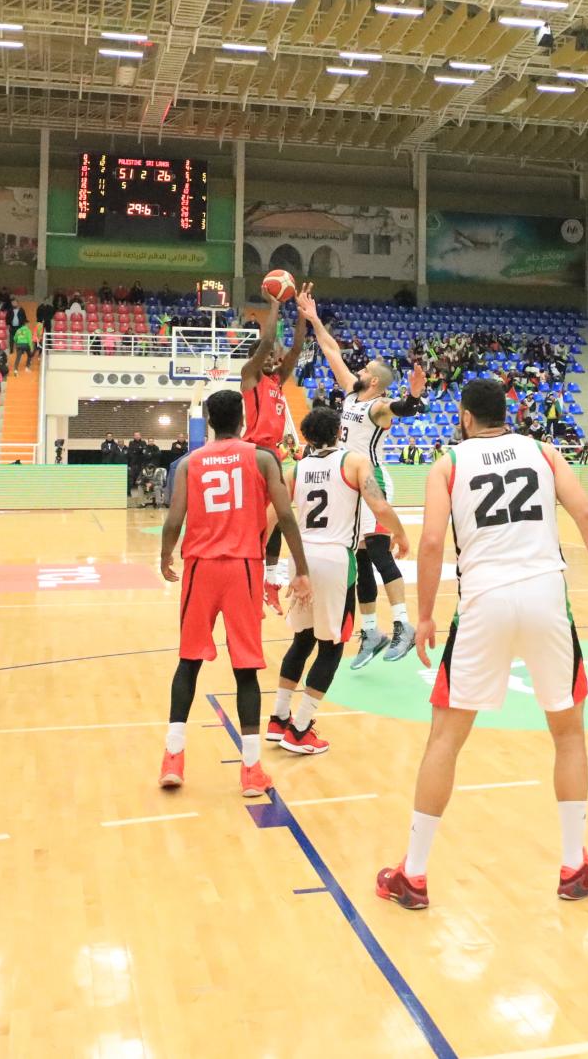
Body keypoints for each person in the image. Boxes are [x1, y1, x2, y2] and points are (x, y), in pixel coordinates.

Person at [374, 377, 588, 910]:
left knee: (446, 736)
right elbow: (587, 516)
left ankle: (414, 875)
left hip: (483, 601)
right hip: (544, 595)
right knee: (568, 732)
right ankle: (573, 864)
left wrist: (422, 615)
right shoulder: (544, 451)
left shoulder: (449, 464)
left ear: (465, 417)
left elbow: (434, 542)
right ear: (505, 413)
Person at [156, 389, 312, 797]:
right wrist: (301, 569)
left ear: (208, 420)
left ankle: (173, 758)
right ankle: (251, 770)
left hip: (200, 569)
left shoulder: (189, 463)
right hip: (243, 567)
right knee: (245, 669)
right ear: (242, 420)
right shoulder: (262, 458)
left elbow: (174, 519)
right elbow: (285, 517)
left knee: (188, 662)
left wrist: (164, 556)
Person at [299, 287, 427, 667]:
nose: (358, 370)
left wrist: (415, 398)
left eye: (365, 370)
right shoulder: (351, 396)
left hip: (372, 480)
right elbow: (331, 351)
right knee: (360, 557)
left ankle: (404, 625)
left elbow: (402, 408)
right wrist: (313, 317)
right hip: (347, 482)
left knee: (377, 552)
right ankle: (372, 629)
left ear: (374, 381)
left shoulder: (377, 406)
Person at [270, 407, 408, 755]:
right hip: (334, 559)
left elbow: (273, 516)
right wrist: (401, 534)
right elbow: (379, 506)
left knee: (302, 640)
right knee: (332, 646)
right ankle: (300, 729)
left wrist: (262, 564)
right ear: (339, 433)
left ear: (306, 437)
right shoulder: (355, 462)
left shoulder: (296, 469)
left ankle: (278, 718)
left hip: (301, 558)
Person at [240, 288, 308, 612]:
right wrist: (274, 306)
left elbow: (295, 349)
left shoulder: (277, 382)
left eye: (271, 357)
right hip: (253, 454)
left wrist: (303, 317)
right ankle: (249, 581)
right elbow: (267, 343)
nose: (271, 358)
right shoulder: (249, 377)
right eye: (265, 356)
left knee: (278, 520)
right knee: (256, 523)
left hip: (274, 456)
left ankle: (269, 583)